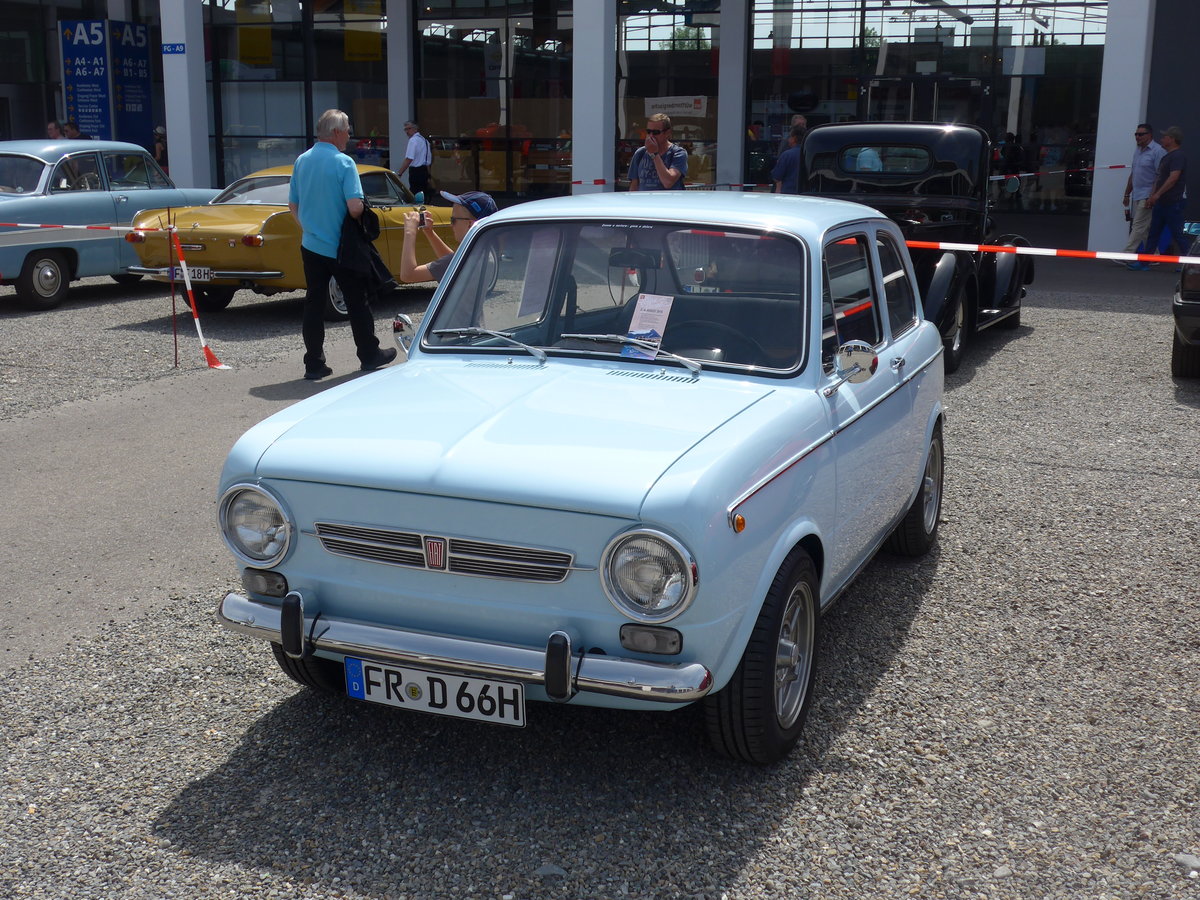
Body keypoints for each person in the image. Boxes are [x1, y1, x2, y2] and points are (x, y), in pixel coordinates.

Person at [287, 108, 395, 379]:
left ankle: (314, 364)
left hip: (311, 244)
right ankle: (369, 354)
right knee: (357, 300)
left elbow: (292, 205)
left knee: (314, 303)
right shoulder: (344, 163)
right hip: (341, 245)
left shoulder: (302, 160)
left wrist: (308, 228)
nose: (349, 135)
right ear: (336, 132)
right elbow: (355, 206)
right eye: (347, 130)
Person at [399, 189, 497, 284]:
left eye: (453, 220)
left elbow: (408, 275)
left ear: (470, 224)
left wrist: (410, 232)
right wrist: (430, 233)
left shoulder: (467, 258)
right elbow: (452, 262)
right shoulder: (485, 252)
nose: (451, 225)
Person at [1129, 126, 1189, 271]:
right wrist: (1152, 196)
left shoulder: (1178, 156)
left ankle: (1190, 265)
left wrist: (1157, 194)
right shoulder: (1166, 157)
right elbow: (1159, 178)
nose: (1162, 139)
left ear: (1172, 139)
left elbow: (1173, 178)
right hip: (1161, 202)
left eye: (1165, 137)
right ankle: (1145, 262)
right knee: (1153, 233)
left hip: (1173, 202)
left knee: (1178, 234)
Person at [1119, 123, 1165, 263]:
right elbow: (1134, 173)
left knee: (1138, 225)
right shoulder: (1138, 151)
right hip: (1138, 194)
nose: (1137, 137)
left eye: (1140, 134)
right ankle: (1154, 256)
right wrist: (1127, 194)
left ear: (1149, 135)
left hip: (1148, 194)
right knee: (1145, 228)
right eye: (1136, 134)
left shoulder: (1158, 151)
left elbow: (1160, 176)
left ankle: (1127, 254)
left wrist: (1153, 195)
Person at [628, 114, 687, 191]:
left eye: (656, 132)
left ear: (667, 133)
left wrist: (654, 154)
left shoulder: (678, 153)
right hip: (645, 198)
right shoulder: (640, 153)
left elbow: (668, 182)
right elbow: (634, 186)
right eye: (648, 132)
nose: (651, 136)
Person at [395, 120, 432, 197]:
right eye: (405, 129)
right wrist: (429, 175)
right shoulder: (425, 141)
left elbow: (409, 158)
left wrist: (399, 173)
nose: (407, 131)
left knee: (414, 194)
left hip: (416, 172)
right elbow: (428, 160)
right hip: (424, 171)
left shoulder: (413, 140)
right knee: (423, 195)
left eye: (409, 128)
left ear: (415, 129)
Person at [771, 124, 806, 194]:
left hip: (788, 194)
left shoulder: (787, 155)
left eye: (789, 136)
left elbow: (776, 177)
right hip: (808, 194)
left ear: (794, 138)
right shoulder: (811, 154)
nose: (788, 139)